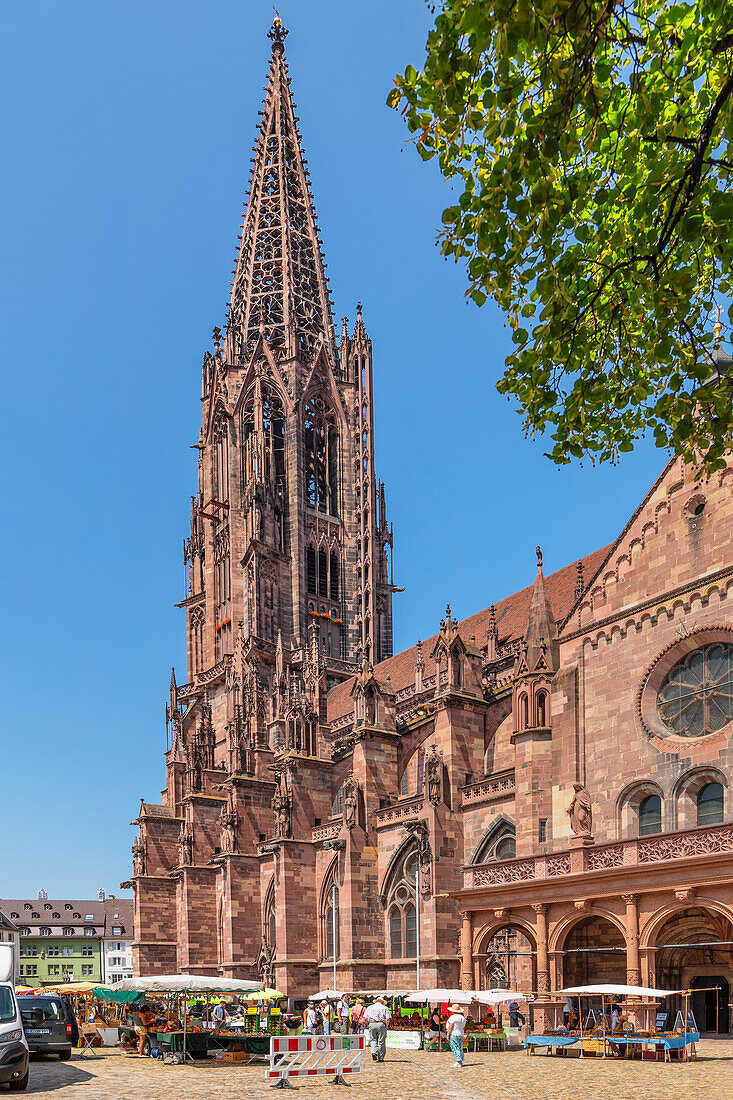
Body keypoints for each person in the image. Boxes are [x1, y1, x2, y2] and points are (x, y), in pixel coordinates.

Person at [364, 996, 391, 1062]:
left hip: (372, 1023)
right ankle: (381, 1057)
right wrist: (386, 1026)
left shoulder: (369, 1007)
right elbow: (388, 1018)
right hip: (381, 1024)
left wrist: (368, 1025)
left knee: (373, 1039)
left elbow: (365, 1018)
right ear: (382, 1002)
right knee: (381, 1041)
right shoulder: (385, 1007)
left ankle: (374, 1052)